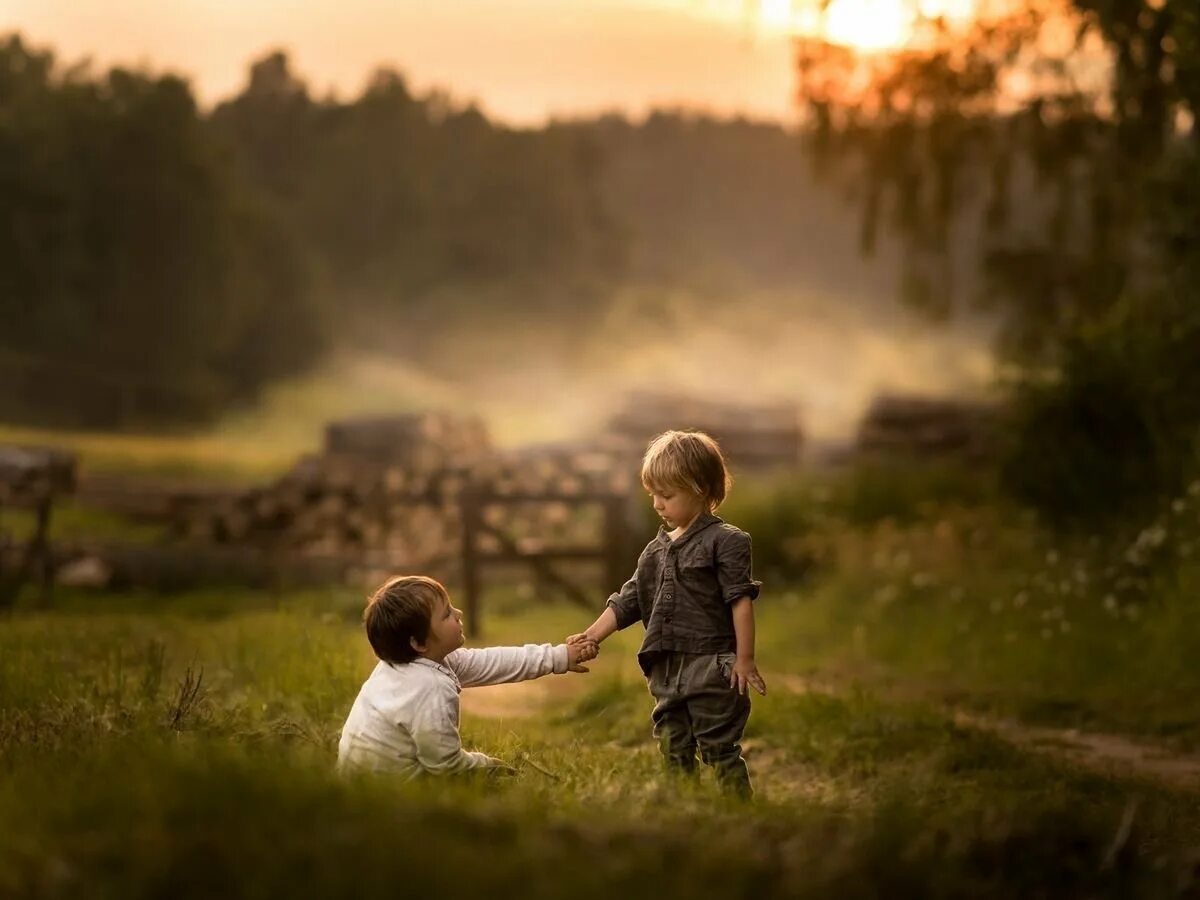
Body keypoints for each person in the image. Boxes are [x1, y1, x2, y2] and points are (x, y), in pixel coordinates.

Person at [569, 430, 765, 797]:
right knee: (673, 746)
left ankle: (737, 809)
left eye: (668, 495)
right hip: (665, 668)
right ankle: (682, 807)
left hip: (710, 665)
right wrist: (592, 635)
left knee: (719, 746)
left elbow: (740, 600)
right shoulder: (653, 552)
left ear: (702, 490)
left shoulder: (728, 541)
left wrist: (745, 659)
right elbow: (629, 600)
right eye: (653, 495)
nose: (658, 504)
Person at [338, 574, 598, 777]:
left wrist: (559, 656)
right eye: (447, 614)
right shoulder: (428, 687)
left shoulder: (406, 664)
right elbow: (445, 765)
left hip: (362, 777)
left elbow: (494, 663)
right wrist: (488, 766)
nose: (459, 614)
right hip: (391, 792)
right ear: (418, 643)